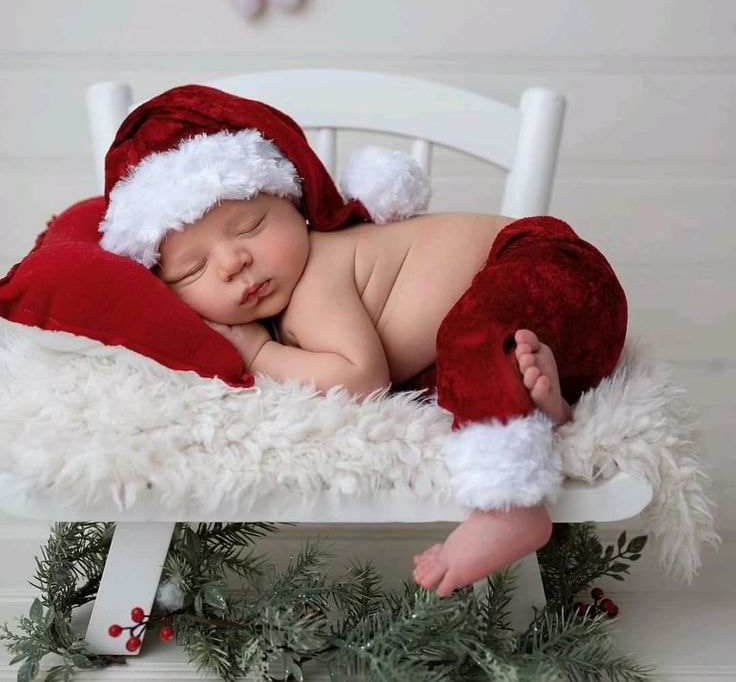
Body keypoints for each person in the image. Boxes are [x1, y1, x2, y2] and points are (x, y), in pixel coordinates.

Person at [99, 84, 627, 598]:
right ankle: (539, 403)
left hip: (543, 266)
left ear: (296, 206)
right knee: (444, 374)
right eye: (194, 269)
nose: (235, 262)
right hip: (548, 337)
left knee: (468, 336)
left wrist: (258, 353)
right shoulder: (290, 301)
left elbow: (361, 379)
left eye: (251, 226)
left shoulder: (316, 279)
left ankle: (510, 506)